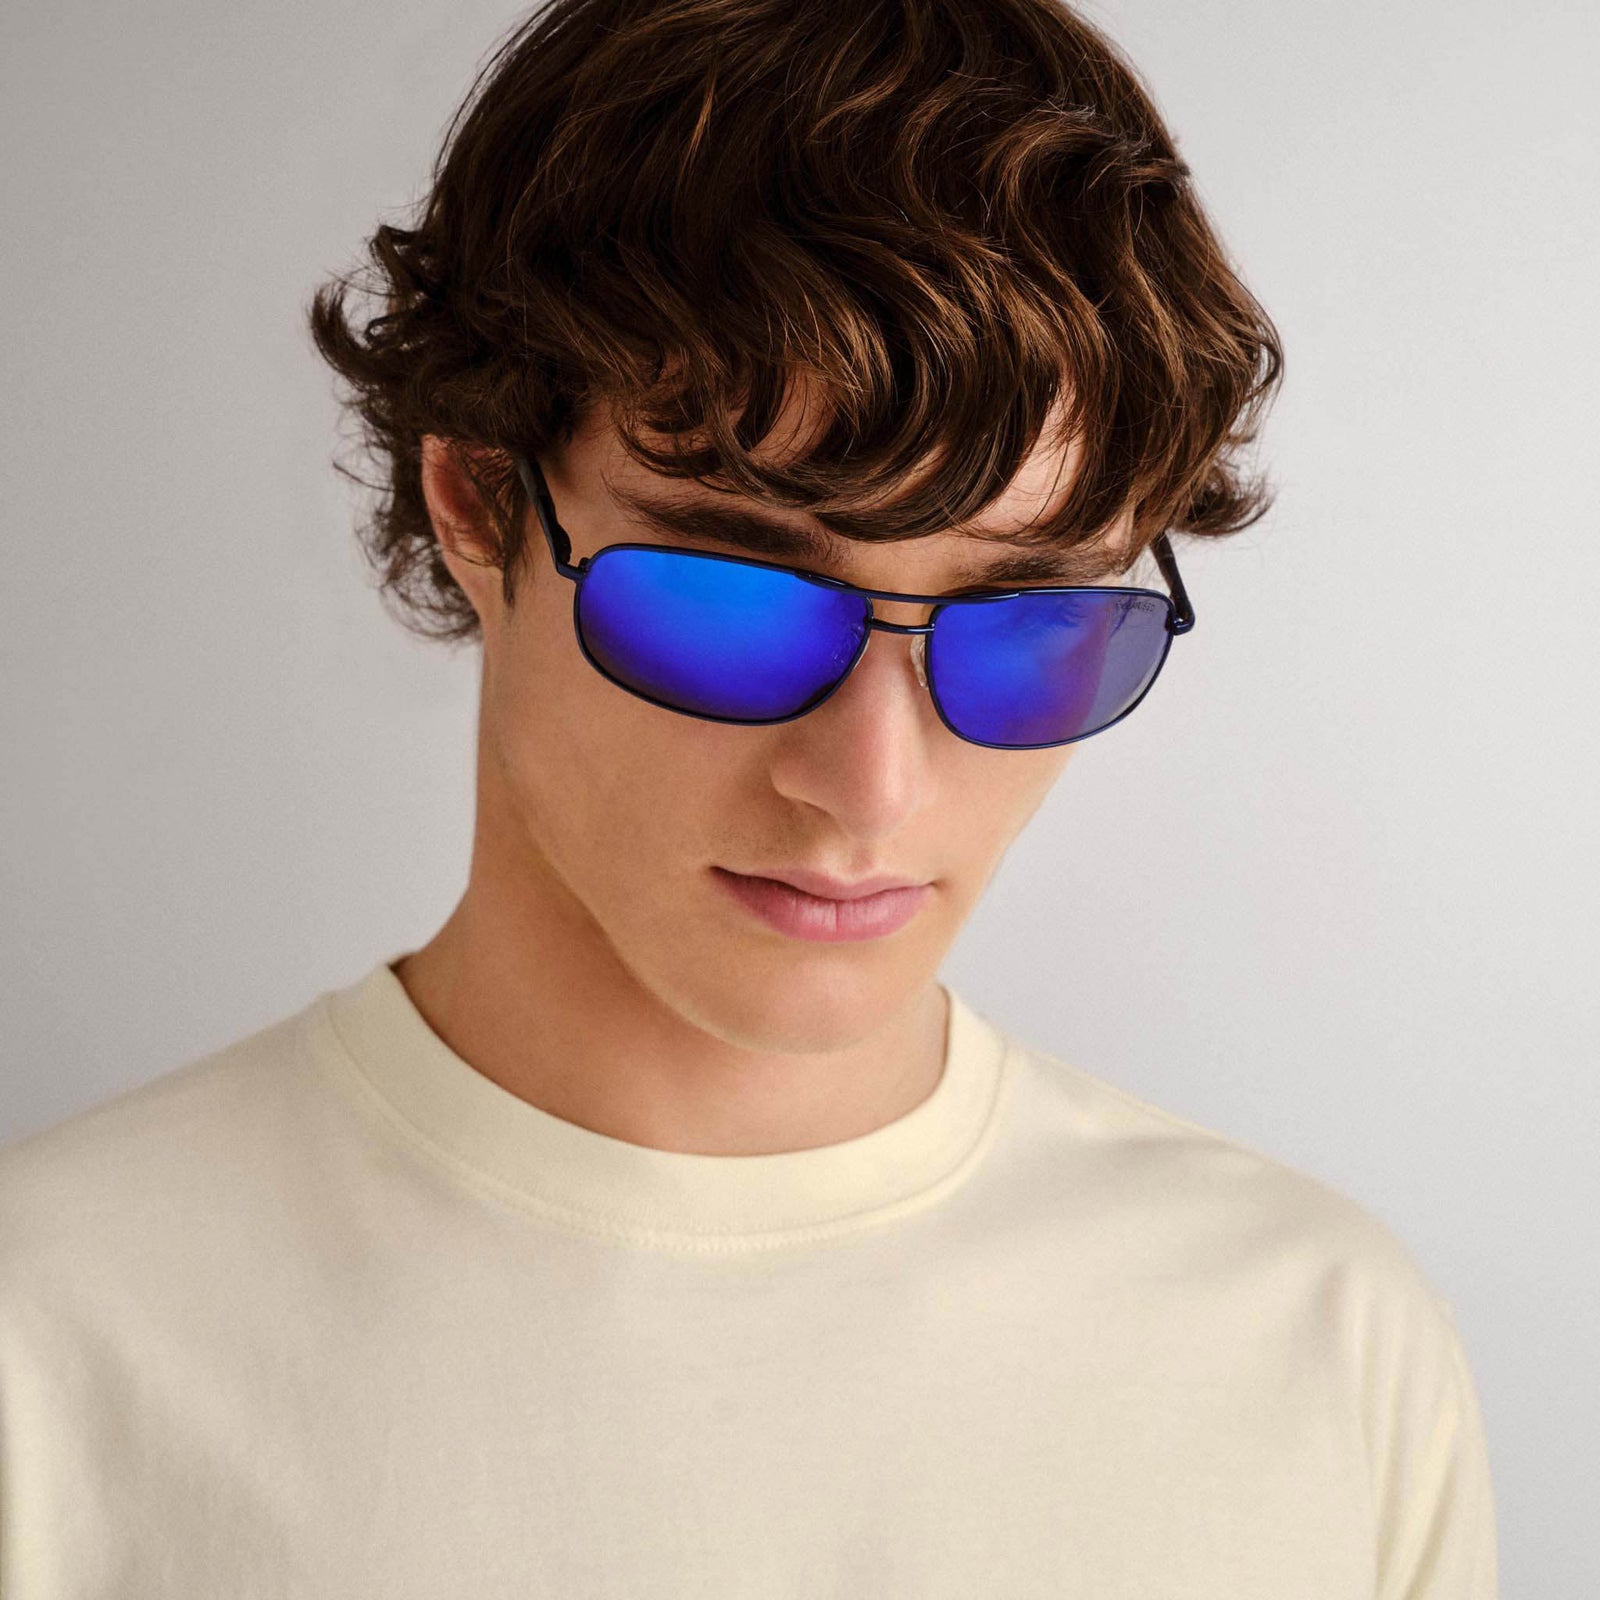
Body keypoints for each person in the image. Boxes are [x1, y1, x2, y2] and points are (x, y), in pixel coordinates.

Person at [0, 0, 1498, 1594]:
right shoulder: (56, 1343)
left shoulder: (1322, 1350)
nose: (870, 784)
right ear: (479, 500)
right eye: (735, 603)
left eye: (1027, 625)